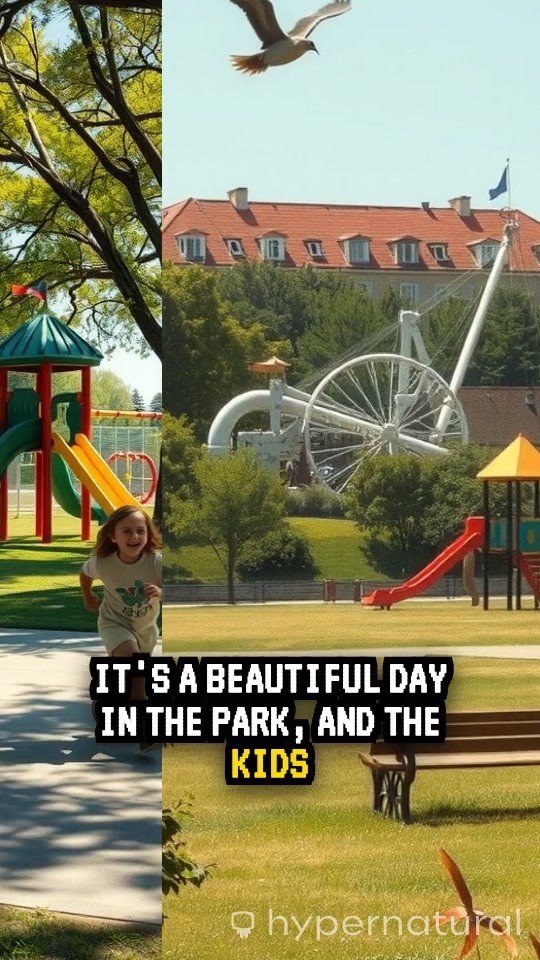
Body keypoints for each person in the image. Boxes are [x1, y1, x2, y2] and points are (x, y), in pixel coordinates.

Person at [80, 505, 162, 754]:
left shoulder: (156, 562)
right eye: (126, 531)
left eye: (140, 531)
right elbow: (84, 573)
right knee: (133, 660)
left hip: (145, 628)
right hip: (113, 622)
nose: (134, 537)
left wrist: (162, 592)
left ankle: (105, 703)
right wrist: (88, 595)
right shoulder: (104, 563)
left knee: (135, 677)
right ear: (112, 536)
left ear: (147, 535)